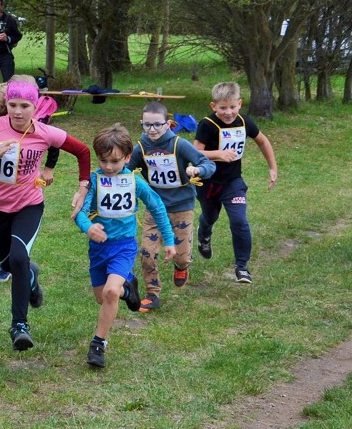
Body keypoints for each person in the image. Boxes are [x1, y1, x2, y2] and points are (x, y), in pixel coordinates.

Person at [0, 77, 91, 351]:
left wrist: (83, 186)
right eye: (12, 105)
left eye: (24, 106)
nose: (18, 112)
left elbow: (82, 151)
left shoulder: (45, 133)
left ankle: (19, 325)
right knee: (10, 264)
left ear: (35, 107)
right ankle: (30, 278)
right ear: (6, 104)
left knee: (19, 257)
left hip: (29, 205)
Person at [74, 124, 173, 368]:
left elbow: (157, 207)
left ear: (128, 158)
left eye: (115, 161)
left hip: (124, 247)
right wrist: (88, 227)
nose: (108, 167)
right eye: (103, 161)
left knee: (110, 292)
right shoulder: (94, 181)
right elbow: (80, 213)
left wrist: (169, 239)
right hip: (99, 248)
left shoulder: (134, 182)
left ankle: (98, 344)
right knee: (103, 297)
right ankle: (128, 290)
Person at [126, 101, 215, 308]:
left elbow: (208, 164)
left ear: (168, 124)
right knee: (147, 253)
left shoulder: (179, 145)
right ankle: (152, 294)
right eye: (147, 125)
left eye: (157, 124)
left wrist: (198, 170)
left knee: (182, 256)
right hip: (155, 208)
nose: (152, 129)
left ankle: (181, 267)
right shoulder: (141, 148)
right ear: (141, 123)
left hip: (182, 207)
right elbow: (126, 170)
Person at [193, 82, 278, 284]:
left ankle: (242, 267)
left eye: (232, 107)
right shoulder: (207, 125)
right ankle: (204, 234)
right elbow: (194, 152)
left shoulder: (244, 122)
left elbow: (262, 141)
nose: (228, 112)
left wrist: (272, 168)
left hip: (233, 182)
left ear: (239, 104)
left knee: (239, 221)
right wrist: (218, 154)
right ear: (214, 106)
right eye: (223, 108)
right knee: (210, 216)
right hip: (208, 182)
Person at [0, 78, 61, 283]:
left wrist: (48, 168)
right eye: (12, 105)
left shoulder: (32, 127)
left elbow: (55, 144)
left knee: (18, 248)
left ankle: (21, 268)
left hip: (27, 196)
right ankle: (7, 266)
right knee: (2, 243)